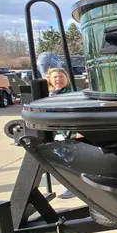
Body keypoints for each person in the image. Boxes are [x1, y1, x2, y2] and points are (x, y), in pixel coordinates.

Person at [45, 67, 76, 198]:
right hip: (56, 132)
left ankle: (73, 187)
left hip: (70, 133)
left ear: (67, 78)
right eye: (55, 77)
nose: (58, 80)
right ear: (50, 80)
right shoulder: (49, 94)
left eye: (61, 77)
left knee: (70, 161)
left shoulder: (74, 93)